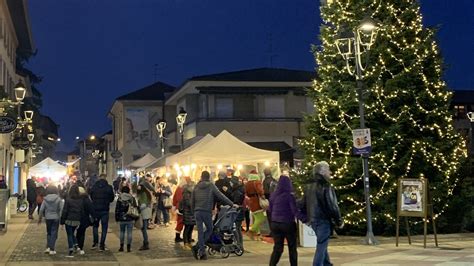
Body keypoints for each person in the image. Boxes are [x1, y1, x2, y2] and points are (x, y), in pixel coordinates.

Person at [302, 161, 343, 266]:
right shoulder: (325, 186)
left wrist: (305, 218)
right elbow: (332, 205)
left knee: (322, 242)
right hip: (323, 220)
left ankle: (327, 263)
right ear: (323, 172)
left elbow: (302, 203)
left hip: (313, 220)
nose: (330, 172)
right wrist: (339, 221)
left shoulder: (308, 186)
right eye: (328, 170)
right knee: (321, 244)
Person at [191, 171, 238, 260]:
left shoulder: (196, 187)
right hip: (206, 211)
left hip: (197, 212)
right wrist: (232, 204)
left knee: (200, 232)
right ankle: (199, 249)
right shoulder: (211, 186)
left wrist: (193, 212)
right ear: (208, 177)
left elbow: (192, 201)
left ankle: (200, 251)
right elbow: (221, 196)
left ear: (201, 177)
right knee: (210, 229)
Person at [268, 175, 301, 266]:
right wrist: (304, 218)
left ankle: (272, 264)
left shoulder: (273, 196)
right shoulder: (289, 196)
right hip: (287, 223)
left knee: (278, 248)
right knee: (292, 247)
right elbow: (294, 210)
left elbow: (270, 210)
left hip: (275, 224)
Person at [89, 174, 115, 251]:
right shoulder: (109, 187)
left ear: (99, 178)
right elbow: (112, 198)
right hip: (105, 210)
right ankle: (102, 245)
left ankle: (95, 243)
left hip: (95, 209)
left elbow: (91, 195)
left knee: (95, 226)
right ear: (105, 178)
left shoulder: (94, 187)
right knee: (104, 228)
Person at [61, 184, 86, 258]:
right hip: (77, 220)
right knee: (72, 233)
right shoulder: (80, 200)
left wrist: (62, 220)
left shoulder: (68, 200)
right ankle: (76, 246)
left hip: (69, 219)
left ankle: (71, 248)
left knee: (69, 234)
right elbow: (82, 211)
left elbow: (65, 211)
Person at [38, 185, 64, 255]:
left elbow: (41, 209)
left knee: (49, 232)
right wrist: (61, 219)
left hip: (48, 218)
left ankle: (48, 247)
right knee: (54, 233)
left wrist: (40, 218)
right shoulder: (58, 199)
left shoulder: (45, 199)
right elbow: (61, 209)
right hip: (56, 217)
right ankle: (52, 248)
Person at [115, 186, 138, 252]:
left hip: (122, 217)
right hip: (130, 217)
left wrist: (117, 218)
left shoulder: (120, 198)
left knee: (122, 232)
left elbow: (117, 209)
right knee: (129, 233)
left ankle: (121, 246)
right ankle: (128, 247)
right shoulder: (131, 198)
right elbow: (135, 207)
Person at [244, 170, 266, 240]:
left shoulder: (247, 183)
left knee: (256, 218)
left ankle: (258, 235)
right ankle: (252, 231)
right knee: (261, 218)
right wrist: (262, 195)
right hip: (257, 201)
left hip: (251, 201)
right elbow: (260, 191)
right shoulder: (257, 182)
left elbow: (246, 193)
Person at [137, 174, 155, 250]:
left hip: (144, 213)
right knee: (143, 228)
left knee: (143, 229)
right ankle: (145, 243)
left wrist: (138, 209)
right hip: (147, 213)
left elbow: (144, 204)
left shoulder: (143, 194)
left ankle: (146, 243)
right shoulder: (147, 193)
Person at [75, 187, 95, 255]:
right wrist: (94, 217)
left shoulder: (76, 199)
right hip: (84, 218)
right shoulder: (87, 199)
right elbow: (91, 209)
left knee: (77, 232)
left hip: (76, 217)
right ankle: (80, 247)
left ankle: (76, 245)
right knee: (82, 233)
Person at [230, 173, 246, 249]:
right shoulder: (240, 188)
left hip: (237, 210)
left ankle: (238, 245)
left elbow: (236, 201)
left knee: (236, 228)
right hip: (241, 210)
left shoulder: (237, 191)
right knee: (238, 228)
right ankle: (240, 244)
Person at [179, 178, 195, 250]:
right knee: (187, 227)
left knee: (191, 227)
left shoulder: (191, 193)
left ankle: (189, 242)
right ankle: (186, 243)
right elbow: (188, 203)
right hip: (188, 212)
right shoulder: (187, 193)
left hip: (192, 212)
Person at [172, 177, 188, 243]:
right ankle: (180, 237)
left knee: (180, 222)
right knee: (183, 222)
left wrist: (174, 206)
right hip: (184, 207)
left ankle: (178, 236)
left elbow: (175, 197)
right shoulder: (184, 188)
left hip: (179, 207)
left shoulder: (178, 188)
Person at [263, 168, 278, 235]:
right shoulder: (274, 180)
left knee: (270, 216)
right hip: (276, 200)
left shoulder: (265, 181)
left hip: (269, 200)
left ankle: (272, 231)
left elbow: (266, 192)